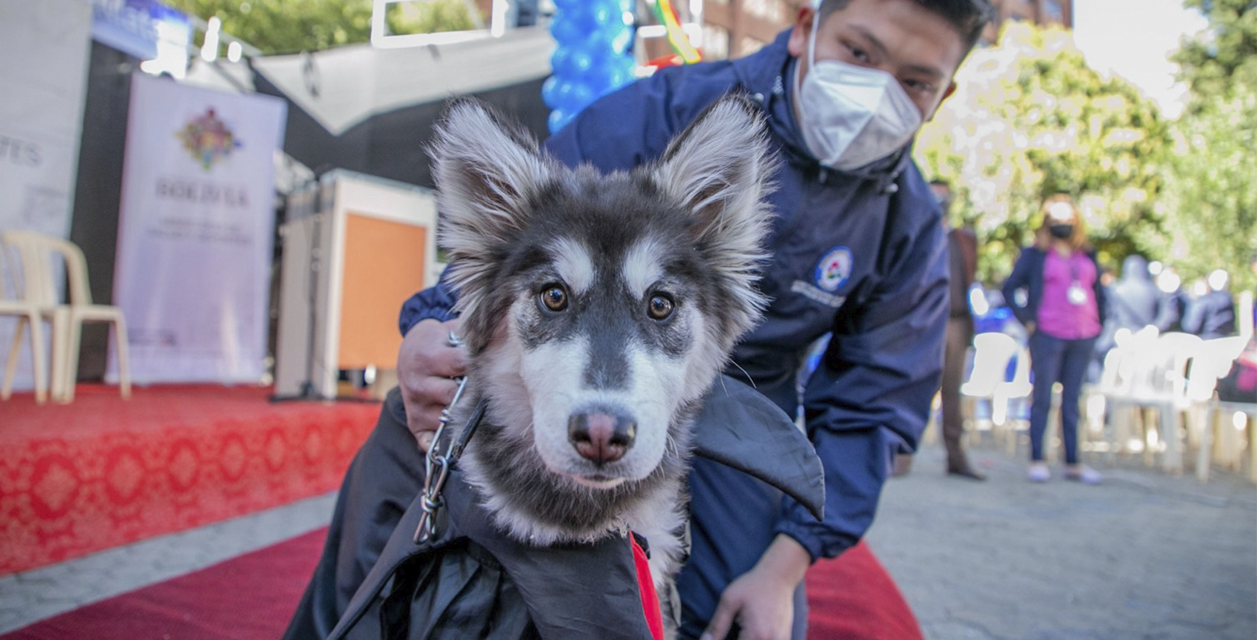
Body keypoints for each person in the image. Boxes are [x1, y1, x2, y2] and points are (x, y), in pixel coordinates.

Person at [286, 0, 997, 638]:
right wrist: (429, 330)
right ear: (806, 27)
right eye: (860, 53)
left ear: (945, 94)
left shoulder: (909, 224)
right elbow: (507, 250)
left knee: (742, 621)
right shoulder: (663, 112)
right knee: (406, 456)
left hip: (739, 406)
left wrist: (783, 572)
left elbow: (870, 413)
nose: (876, 91)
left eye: (914, 80)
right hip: (571, 351)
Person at [1001, 195, 1107, 484]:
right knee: (1043, 398)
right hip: (1047, 333)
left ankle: (1073, 462)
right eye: (1056, 220)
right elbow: (1009, 288)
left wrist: (1100, 323)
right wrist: (1028, 321)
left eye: (1067, 220)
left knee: (1072, 401)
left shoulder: (1087, 254)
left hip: (1083, 334)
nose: (1063, 226)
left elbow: (1098, 292)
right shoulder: (1036, 255)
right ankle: (1038, 458)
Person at [930, 178, 985, 480]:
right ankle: (901, 454)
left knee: (953, 392)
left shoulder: (963, 239)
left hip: (957, 321)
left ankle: (956, 455)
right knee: (916, 387)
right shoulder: (919, 234)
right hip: (924, 322)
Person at [1181, 269, 1237, 340]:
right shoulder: (1229, 300)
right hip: (1226, 340)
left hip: (1205, 341)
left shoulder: (1204, 301)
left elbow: (1191, 326)